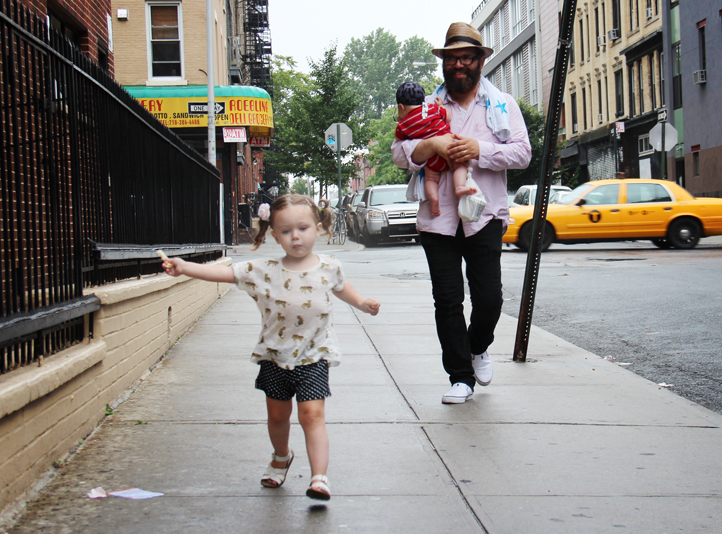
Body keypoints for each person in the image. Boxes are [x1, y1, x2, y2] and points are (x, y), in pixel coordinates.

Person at [161, 194, 380, 500]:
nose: (296, 236)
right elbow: (225, 273)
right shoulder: (263, 270)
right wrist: (185, 267)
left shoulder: (329, 266)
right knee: (277, 417)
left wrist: (362, 302)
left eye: (303, 228)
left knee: (312, 416)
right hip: (274, 356)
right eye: (286, 231)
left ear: (318, 229)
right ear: (275, 236)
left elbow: (343, 288)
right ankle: (281, 456)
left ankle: (319, 478)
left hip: (314, 356)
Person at [392, 22, 532, 405]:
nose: (458, 64)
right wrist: (431, 145)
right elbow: (400, 151)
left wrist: (478, 150)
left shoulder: (502, 105)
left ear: (480, 62)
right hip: (437, 218)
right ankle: (460, 377)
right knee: (448, 300)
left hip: (484, 215)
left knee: (489, 299)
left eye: (466, 57)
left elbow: (522, 153)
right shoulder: (428, 106)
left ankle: (478, 346)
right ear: (444, 63)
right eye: (452, 58)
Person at [394, 81, 475, 216]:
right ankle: (460, 186)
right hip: (449, 149)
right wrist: (441, 106)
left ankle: (434, 199)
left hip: (431, 159)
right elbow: (448, 117)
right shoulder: (432, 109)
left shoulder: (403, 125)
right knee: (460, 166)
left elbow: (398, 139)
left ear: (401, 107)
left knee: (430, 179)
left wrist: (401, 120)